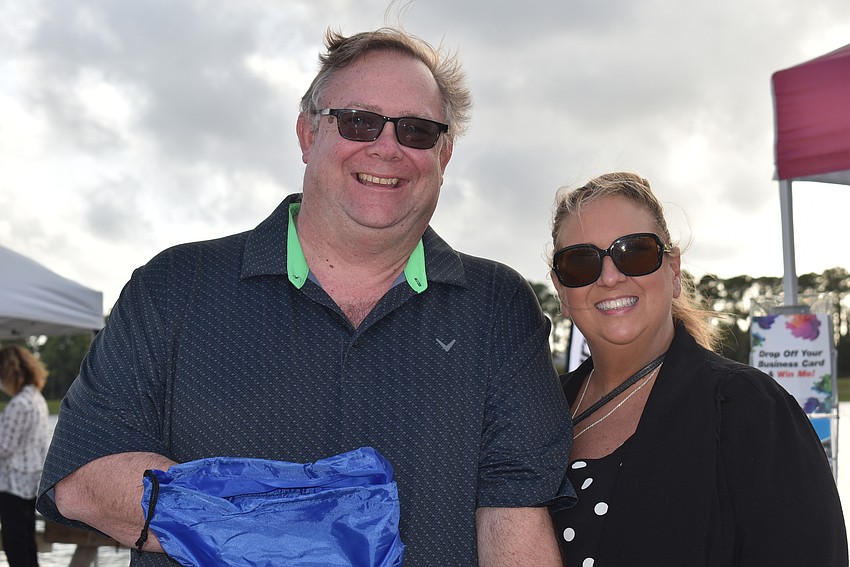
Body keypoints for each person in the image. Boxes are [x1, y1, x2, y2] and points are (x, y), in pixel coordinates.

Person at [36, 27, 574, 566]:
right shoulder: (174, 285)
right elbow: (82, 478)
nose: (386, 147)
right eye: (359, 121)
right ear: (306, 133)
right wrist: (290, 530)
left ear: (445, 153)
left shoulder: (500, 307)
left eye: (416, 130)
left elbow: (515, 516)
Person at [547, 171, 848, 566]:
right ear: (561, 291)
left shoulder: (751, 409)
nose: (609, 277)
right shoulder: (538, 411)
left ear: (673, 272)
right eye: (581, 262)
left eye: (634, 252)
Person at [0, 344, 50, 567]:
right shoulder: (37, 398)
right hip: (32, 482)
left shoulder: (19, 403)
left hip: (13, 485)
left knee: (15, 546)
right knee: (28, 544)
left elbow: (4, 448)